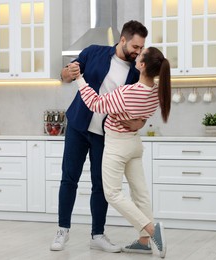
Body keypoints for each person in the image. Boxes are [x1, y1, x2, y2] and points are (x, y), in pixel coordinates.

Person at [50, 20, 148, 252]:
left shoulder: (136, 71)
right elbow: (65, 76)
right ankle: (62, 230)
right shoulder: (93, 51)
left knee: (101, 185)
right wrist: (68, 71)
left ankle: (97, 235)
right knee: (69, 178)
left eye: (142, 48)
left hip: (107, 134)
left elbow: (140, 103)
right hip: (77, 126)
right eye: (135, 46)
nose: (138, 52)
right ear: (122, 40)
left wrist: (138, 121)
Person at [76, 46, 171, 258]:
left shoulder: (128, 92)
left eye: (141, 54)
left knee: (112, 193)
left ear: (143, 65)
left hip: (117, 145)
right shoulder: (156, 92)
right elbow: (140, 118)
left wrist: (80, 80)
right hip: (134, 145)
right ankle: (144, 242)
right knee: (140, 193)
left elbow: (95, 103)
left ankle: (151, 231)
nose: (137, 55)